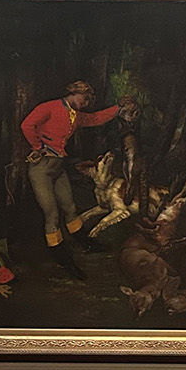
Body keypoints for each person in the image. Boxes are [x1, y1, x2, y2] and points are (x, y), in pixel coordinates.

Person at [20, 79, 136, 278]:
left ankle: (86, 243)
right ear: (74, 92)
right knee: (52, 214)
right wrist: (38, 147)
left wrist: (118, 109)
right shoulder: (49, 107)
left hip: (57, 168)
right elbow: (27, 125)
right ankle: (64, 260)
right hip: (41, 169)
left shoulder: (76, 115)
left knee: (70, 207)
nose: (85, 104)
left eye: (88, 101)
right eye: (84, 99)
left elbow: (95, 119)